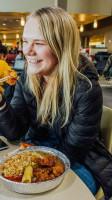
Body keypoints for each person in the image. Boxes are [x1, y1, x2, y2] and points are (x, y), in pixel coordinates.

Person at [0, 7, 112, 199]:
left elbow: (73, 150)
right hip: (37, 146)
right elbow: (14, 132)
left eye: (39, 43)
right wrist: (1, 103)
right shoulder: (28, 77)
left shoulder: (86, 88)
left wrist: (31, 164)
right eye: (25, 41)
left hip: (82, 160)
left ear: (62, 46)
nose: (27, 51)